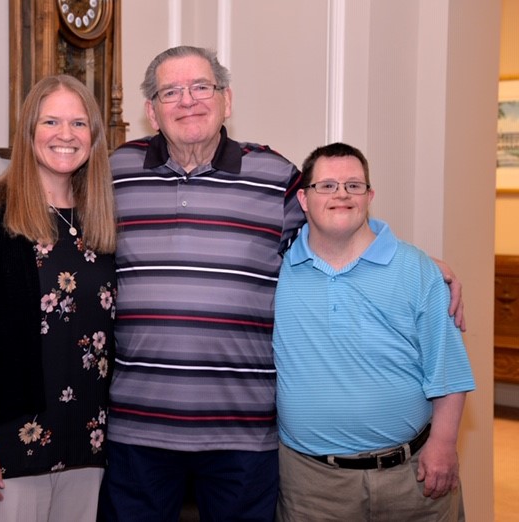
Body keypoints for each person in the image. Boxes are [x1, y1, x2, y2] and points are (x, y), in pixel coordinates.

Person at [101, 46, 466, 521]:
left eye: (201, 87)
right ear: (151, 110)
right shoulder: (115, 172)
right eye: (171, 91)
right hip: (138, 427)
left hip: (243, 435)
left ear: (226, 100)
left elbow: (335, 211)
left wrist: (416, 264)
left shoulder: (273, 175)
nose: (188, 100)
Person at [0, 74, 116, 521]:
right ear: (29, 130)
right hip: (4, 446)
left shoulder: (101, 222)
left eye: (78, 123)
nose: (65, 135)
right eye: (51, 121)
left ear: (94, 136)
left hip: (86, 444)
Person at [272, 142, 475, 522]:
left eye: (354, 185)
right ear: (303, 199)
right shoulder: (276, 273)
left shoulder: (416, 270)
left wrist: (444, 445)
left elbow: (447, 370)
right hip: (311, 486)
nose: (342, 195)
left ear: (370, 195)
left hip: (413, 478)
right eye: (327, 186)